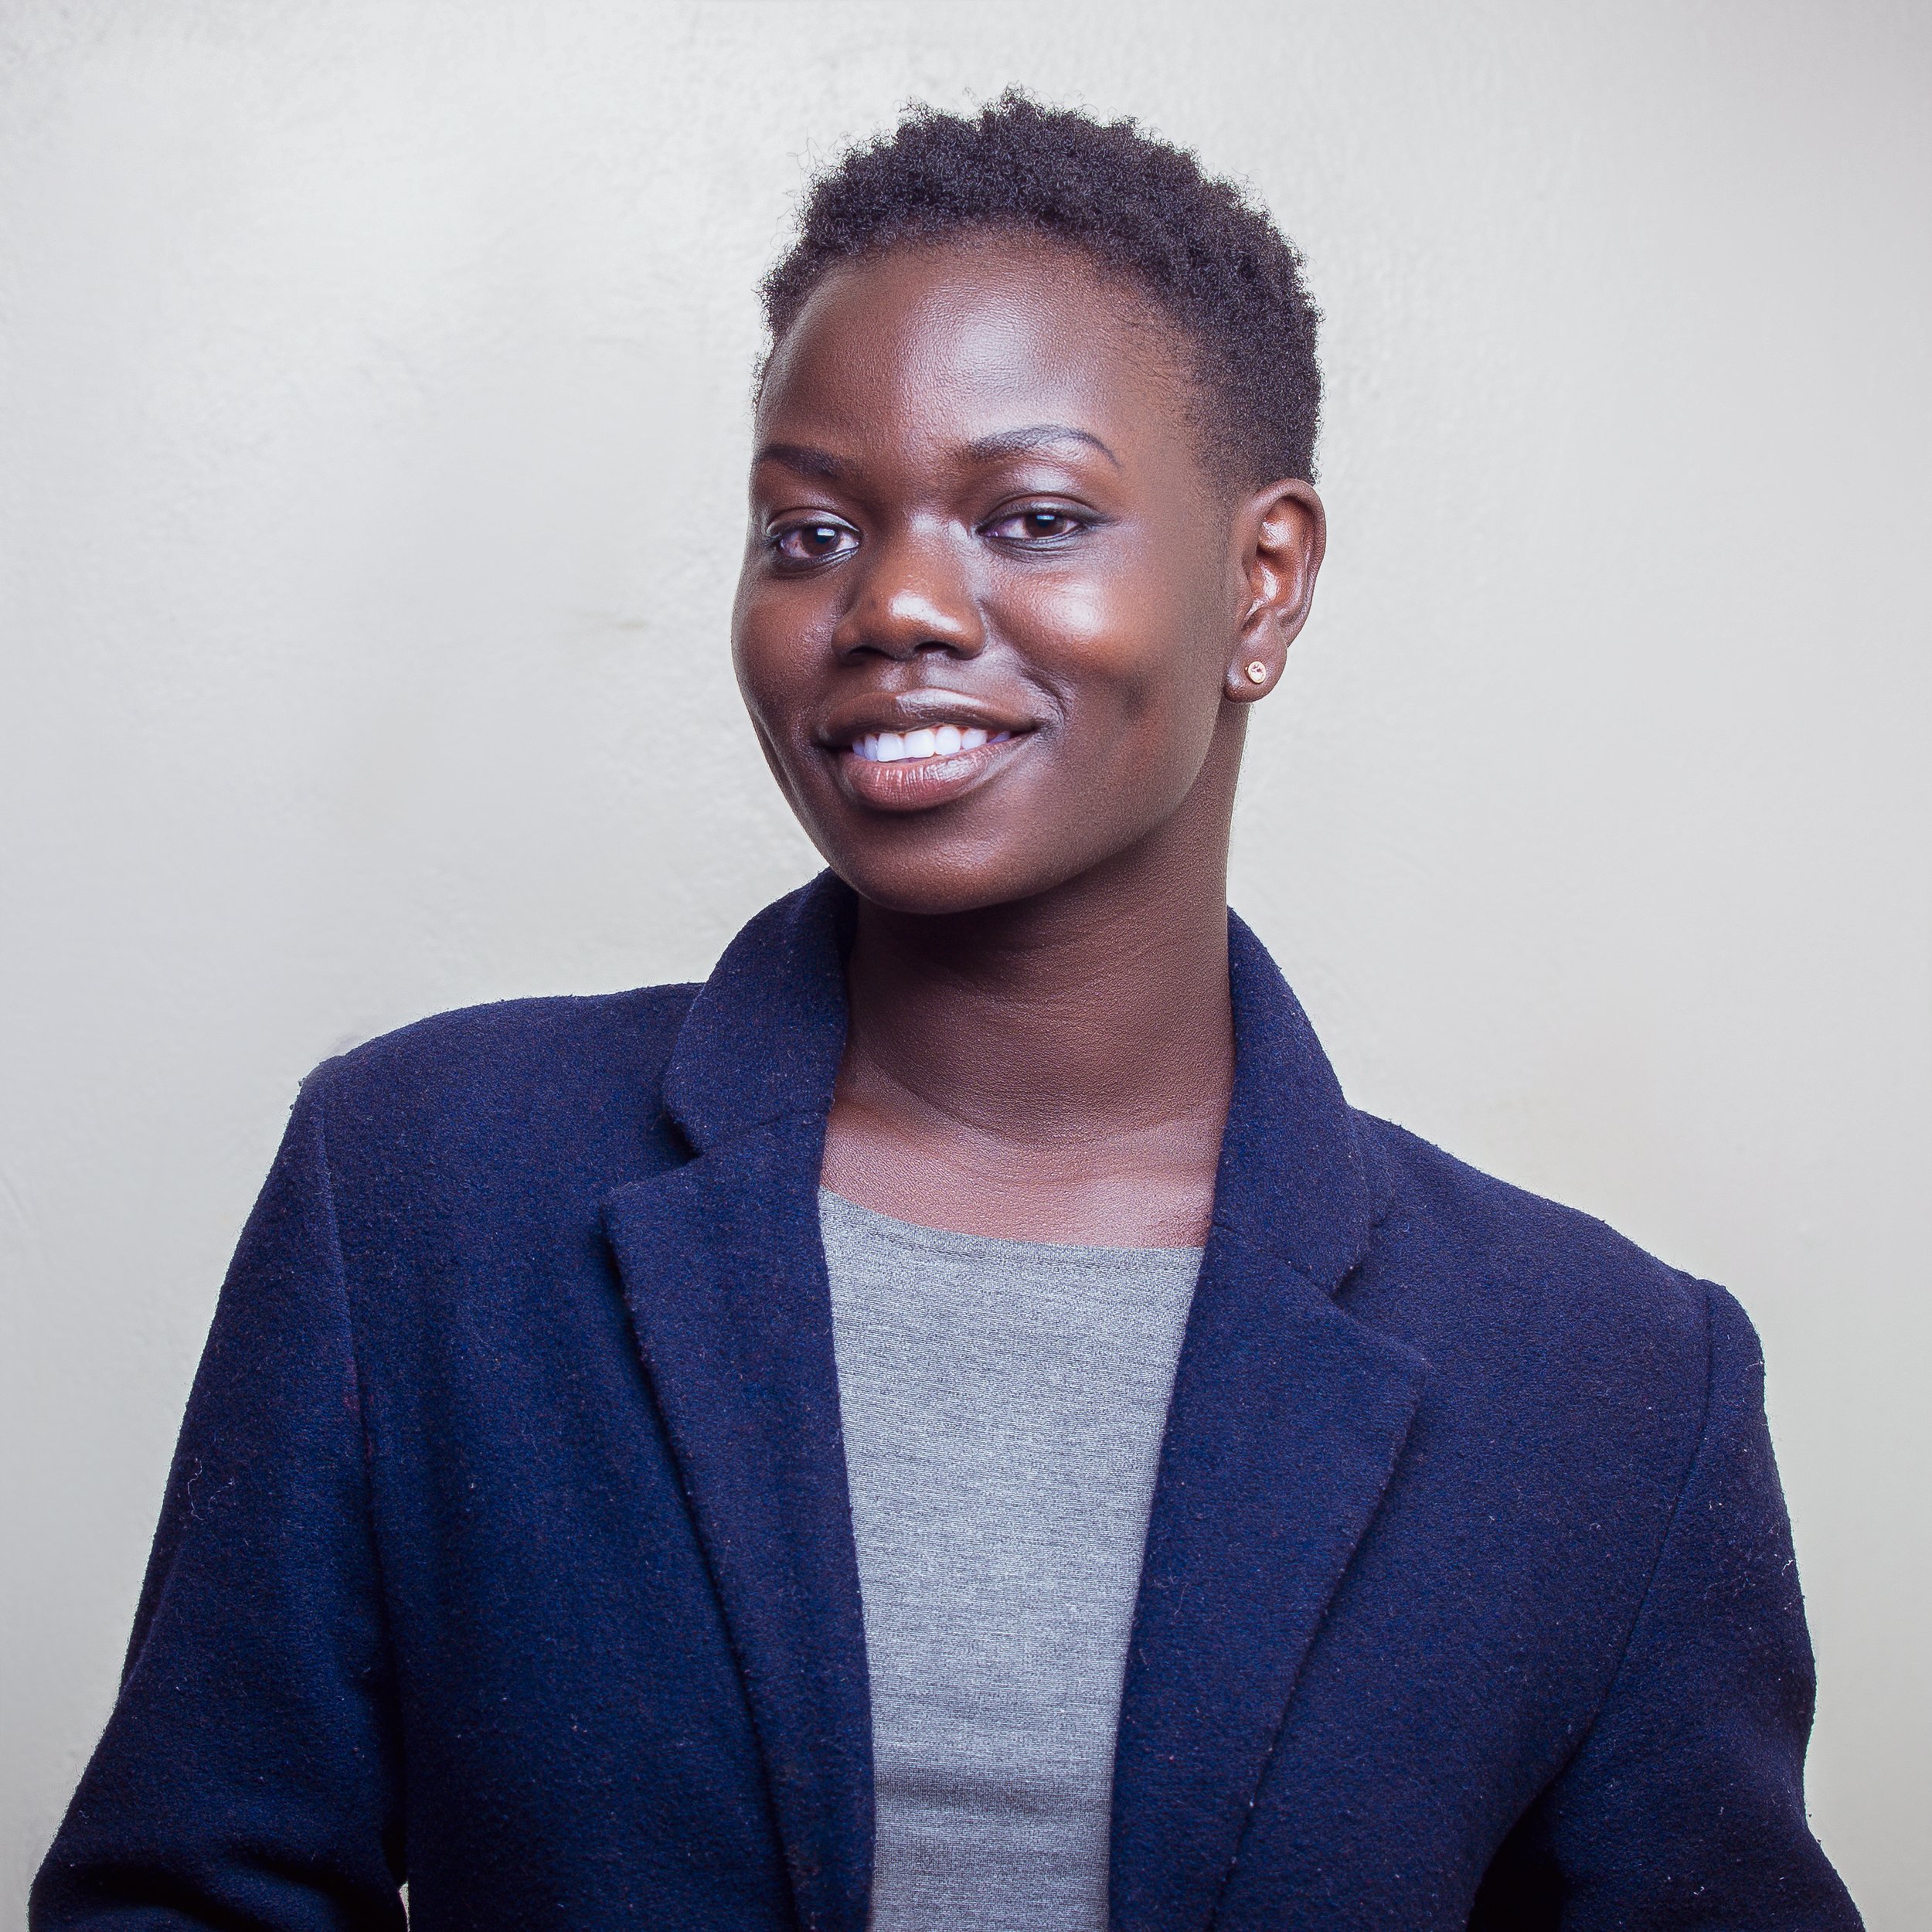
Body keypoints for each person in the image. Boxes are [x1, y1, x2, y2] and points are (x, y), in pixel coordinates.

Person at [33, 94, 1859, 1932]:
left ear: (1261, 576)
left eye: (1033, 514)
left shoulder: (1610, 1383)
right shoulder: (426, 1189)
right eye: (809, 532)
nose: (893, 601)